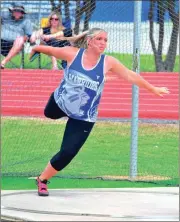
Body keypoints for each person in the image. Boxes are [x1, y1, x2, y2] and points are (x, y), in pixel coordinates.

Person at [30, 28, 169, 196]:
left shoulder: (108, 62)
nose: (103, 43)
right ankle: (57, 103)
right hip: (61, 103)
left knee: (68, 152)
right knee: (48, 114)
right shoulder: (73, 54)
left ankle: (42, 179)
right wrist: (35, 48)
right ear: (89, 41)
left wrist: (152, 88)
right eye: (99, 39)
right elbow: (51, 50)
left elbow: (130, 75)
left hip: (84, 116)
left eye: (105, 40)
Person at [1, 4, 33, 69]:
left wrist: (23, 38)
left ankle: (3, 62)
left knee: (20, 40)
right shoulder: (5, 17)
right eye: (15, 10)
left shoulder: (26, 21)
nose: (17, 13)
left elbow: (28, 35)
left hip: (15, 45)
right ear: (12, 11)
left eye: (20, 11)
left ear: (22, 13)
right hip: (1, 42)